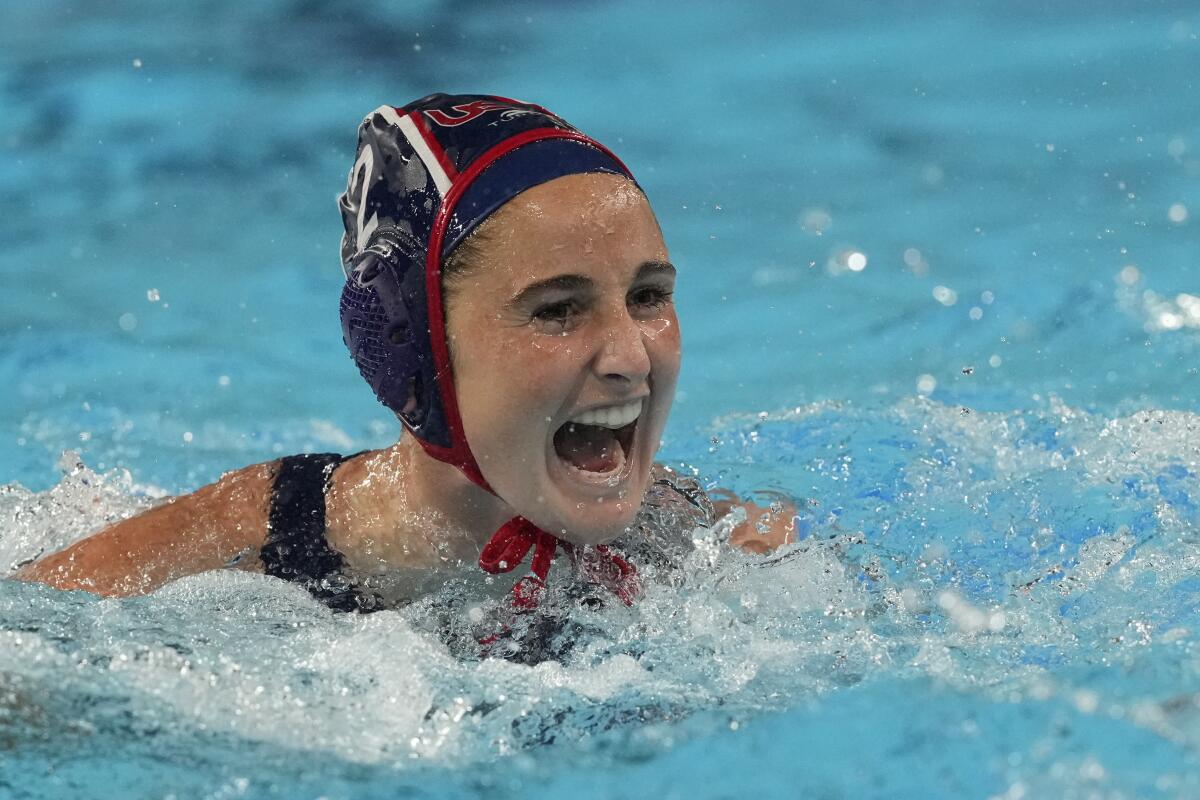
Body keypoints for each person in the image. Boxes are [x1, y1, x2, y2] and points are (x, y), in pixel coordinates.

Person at [12, 93, 794, 635]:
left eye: (649, 296)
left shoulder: (695, 540)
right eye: (557, 309)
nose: (631, 357)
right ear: (410, 352)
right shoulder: (235, 557)